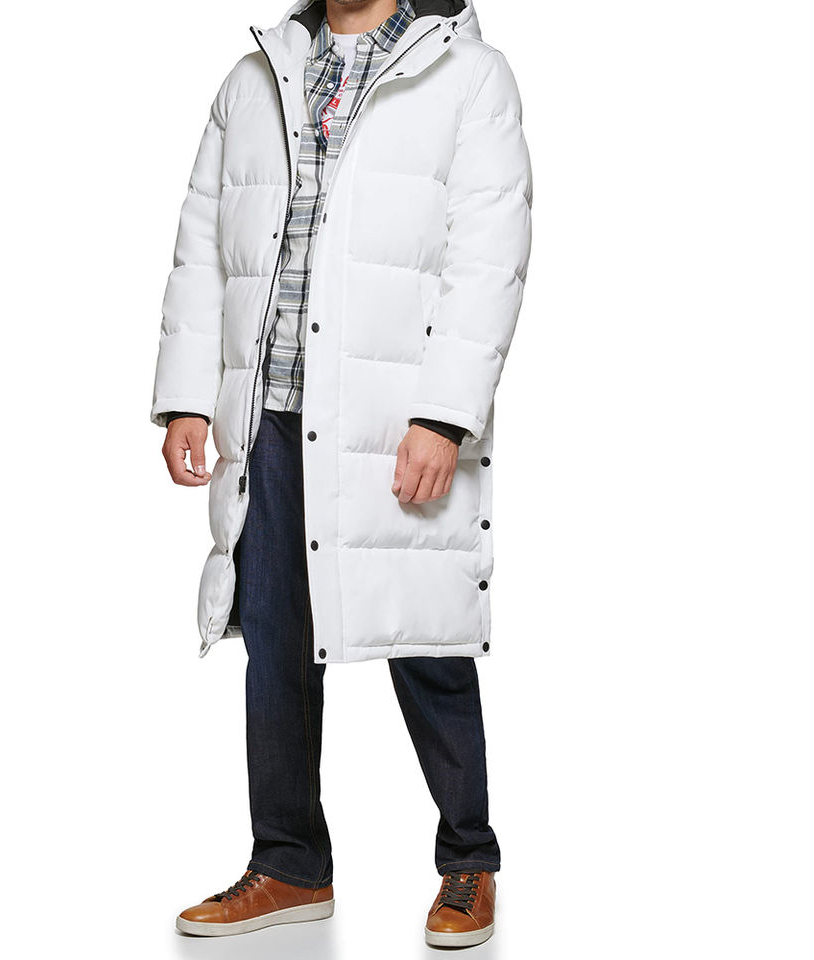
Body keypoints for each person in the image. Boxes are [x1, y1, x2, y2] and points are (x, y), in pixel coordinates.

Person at [151, 0, 531, 946]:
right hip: (267, 415)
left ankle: (469, 860)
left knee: (425, 636)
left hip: (389, 418)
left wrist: (443, 415)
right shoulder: (257, 76)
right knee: (274, 640)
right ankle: (288, 865)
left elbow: (488, 254)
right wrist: (189, 396)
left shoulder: (468, 76)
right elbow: (202, 246)